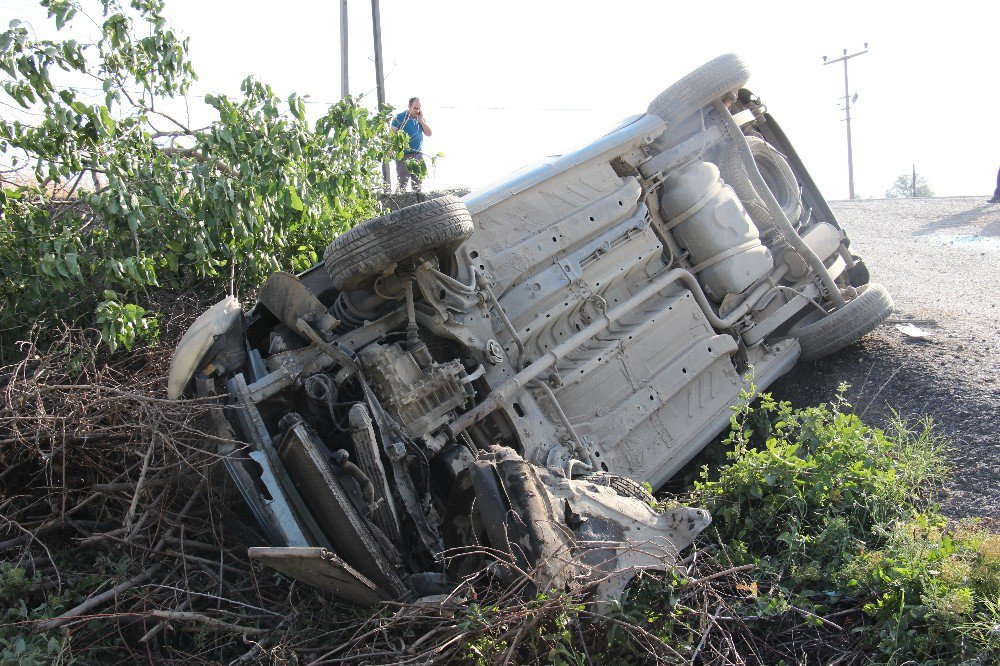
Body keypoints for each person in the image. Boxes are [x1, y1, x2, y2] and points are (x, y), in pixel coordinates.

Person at [391, 97, 432, 195]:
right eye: (415, 108)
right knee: (402, 182)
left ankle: (418, 203)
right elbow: (392, 134)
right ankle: (400, 203)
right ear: (409, 106)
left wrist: (421, 120)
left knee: (417, 182)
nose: (417, 110)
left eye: (419, 108)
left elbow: (429, 133)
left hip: (417, 154)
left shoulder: (420, 119)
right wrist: (390, 150)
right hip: (403, 154)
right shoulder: (400, 117)